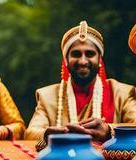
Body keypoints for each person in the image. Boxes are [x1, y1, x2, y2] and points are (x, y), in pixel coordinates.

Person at [25, 21, 136, 149]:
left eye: (90, 54)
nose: (83, 61)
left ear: (100, 59)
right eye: (76, 54)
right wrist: (48, 135)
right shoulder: (47, 95)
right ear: (65, 60)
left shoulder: (121, 92)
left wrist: (109, 131)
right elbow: (30, 132)